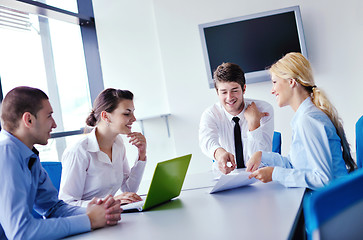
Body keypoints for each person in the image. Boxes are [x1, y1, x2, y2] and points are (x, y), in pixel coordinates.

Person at [0, 86, 122, 240]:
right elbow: (21, 232)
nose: (54, 124)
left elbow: (53, 208)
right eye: (49, 116)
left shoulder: (28, 154)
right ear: (29, 120)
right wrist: (89, 220)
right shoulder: (5, 153)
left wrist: (101, 211)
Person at [247, 52, 356, 190]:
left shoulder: (308, 120)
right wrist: (262, 156)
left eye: (275, 82)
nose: (272, 90)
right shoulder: (303, 117)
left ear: (291, 82)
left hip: (332, 204)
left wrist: (276, 174)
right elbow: (295, 165)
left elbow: (324, 179)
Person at [59, 88, 146, 207]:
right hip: (86, 220)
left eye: (133, 112)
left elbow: (129, 189)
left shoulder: (118, 143)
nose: (134, 118)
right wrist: (111, 202)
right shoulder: (79, 150)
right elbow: (67, 203)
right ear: (106, 116)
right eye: (127, 113)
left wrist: (141, 154)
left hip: (109, 217)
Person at [199, 62, 274, 175]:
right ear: (217, 92)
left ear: (244, 89)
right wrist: (219, 153)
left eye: (234, 90)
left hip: (257, 176)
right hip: (225, 176)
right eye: (224, 92)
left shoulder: (263, 109)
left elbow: (262, 156)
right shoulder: (211, 114)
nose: (229, 97)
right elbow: (207, 141)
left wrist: (254, 124)